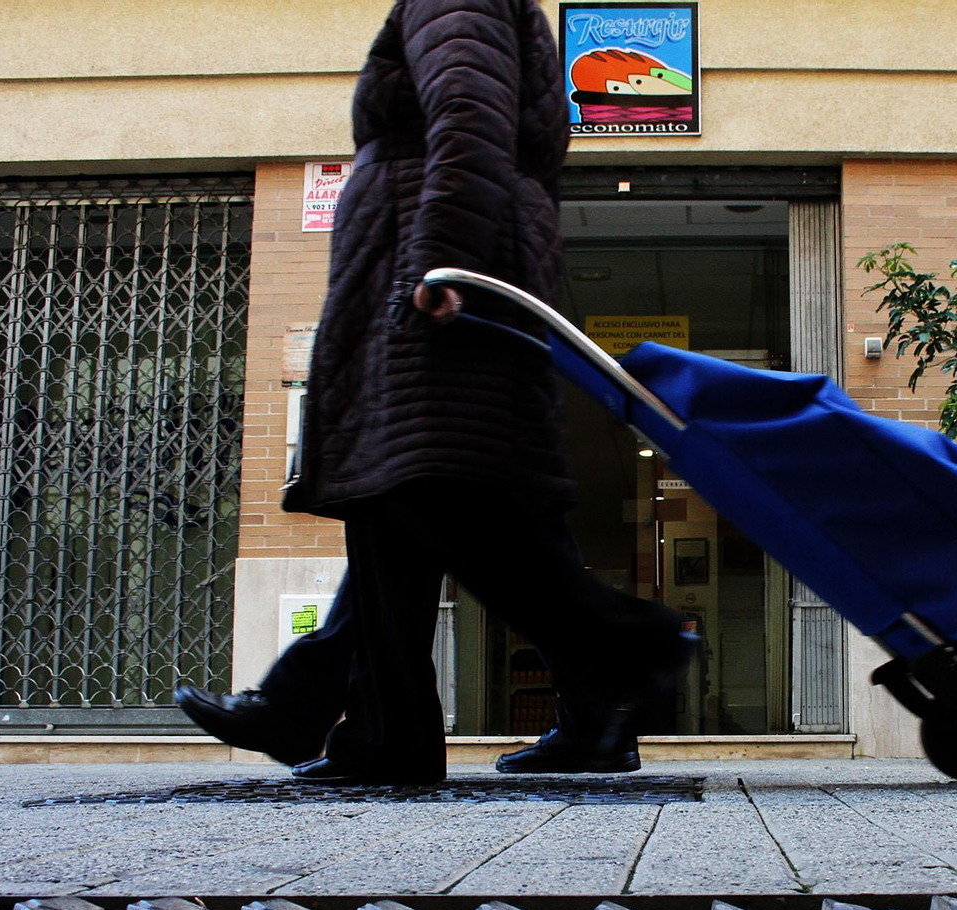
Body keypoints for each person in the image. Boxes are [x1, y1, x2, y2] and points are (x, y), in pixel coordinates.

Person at [175, 0, 691, 786]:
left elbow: (469, 112)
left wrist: (441, 255)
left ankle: (620, 649)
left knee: (429, 490)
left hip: (430, 268)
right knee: (401, 493)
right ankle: (374, 729)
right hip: (434, 256)